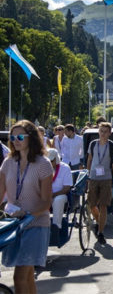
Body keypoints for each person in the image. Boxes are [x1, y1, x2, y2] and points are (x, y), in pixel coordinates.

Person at [0, 120, 53, 294]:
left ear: (31, 138)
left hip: (36, 224)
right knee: (28, 276)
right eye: (13, 137)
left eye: (20, 136)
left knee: (19, 277)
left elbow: (47, 202)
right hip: (14, 225)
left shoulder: (43, 163)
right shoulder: (8, 163)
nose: (16, 140)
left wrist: (28, 213)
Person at [86, 122, 113, 244]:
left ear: (109, 133)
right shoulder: (93, 144)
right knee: (92, 204)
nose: (103, 133)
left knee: (103, 205)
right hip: (94, 177)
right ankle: (100, 222)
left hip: (107, 178)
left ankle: (100, 232)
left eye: (105, 131)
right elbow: (89, 159)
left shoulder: (112, 146)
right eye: (101, 131)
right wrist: (88, 175)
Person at [47, 148, 72, 233]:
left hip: (60, 194)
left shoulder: (65, 168)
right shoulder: (43, 168)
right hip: (46, 194)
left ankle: (56, 227)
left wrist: (53, 195)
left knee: (58, 200)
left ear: (56, 159)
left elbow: (66, 188)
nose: (50, 163)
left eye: (52, 161)